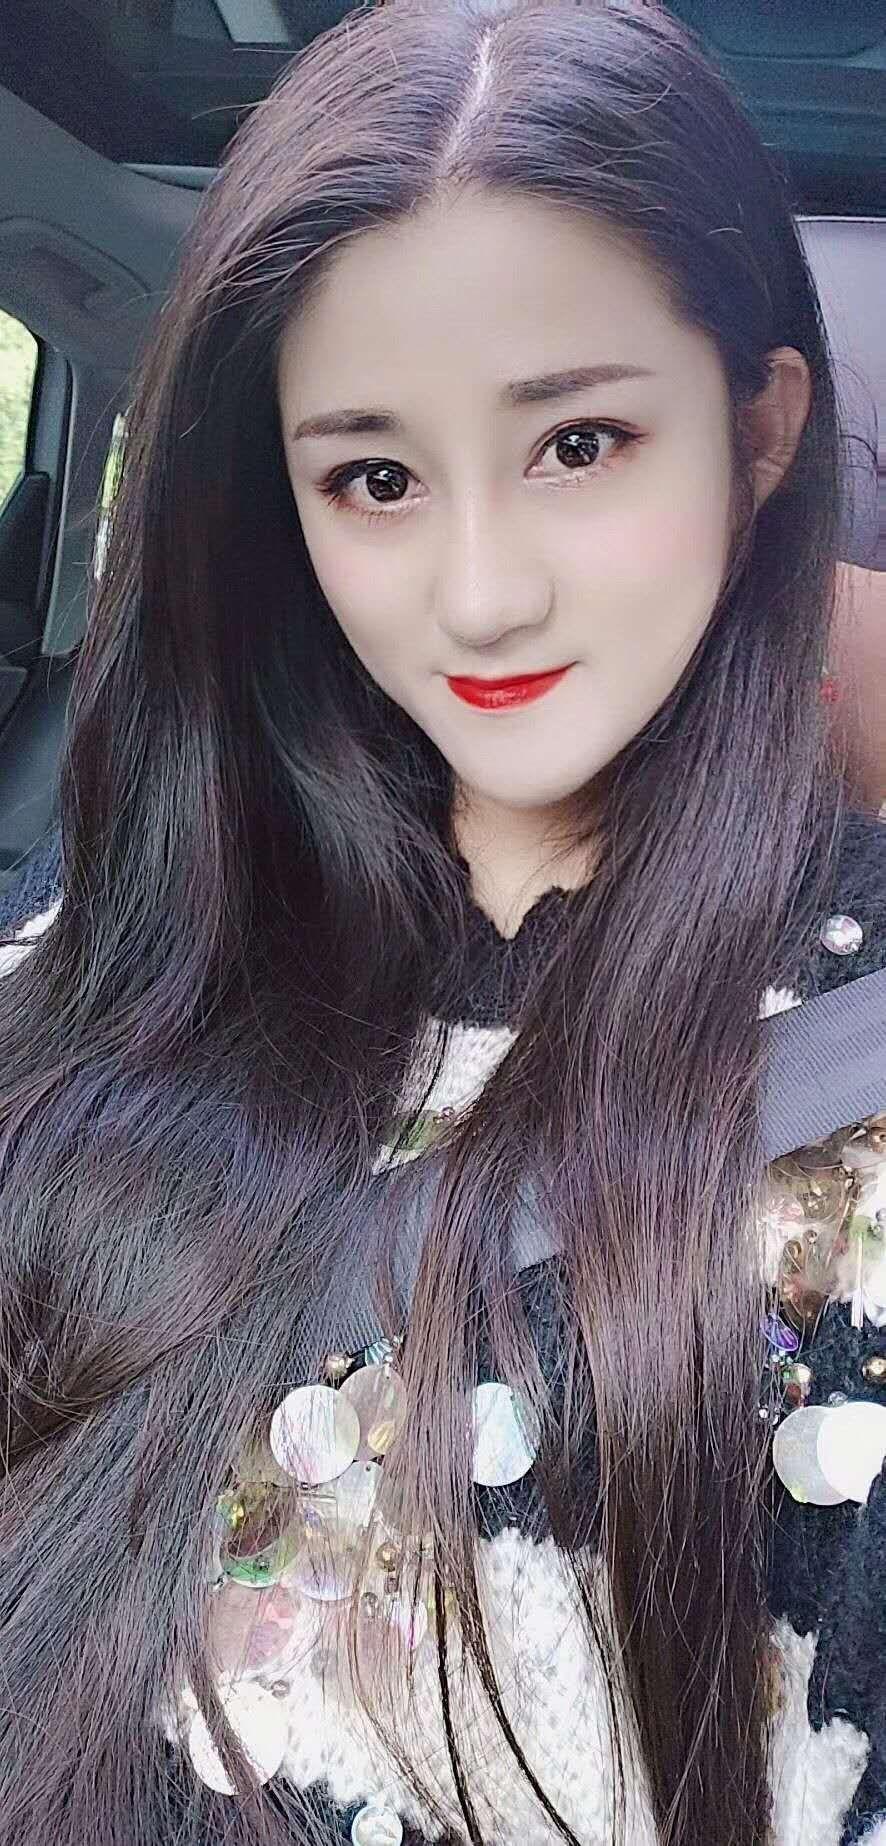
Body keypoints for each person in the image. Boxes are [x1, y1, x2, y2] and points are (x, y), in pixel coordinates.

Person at [0, 1, 884, 1842]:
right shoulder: (118, 958)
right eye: (376, 478)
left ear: (757, 433)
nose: (479, 596)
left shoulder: (850, 1082)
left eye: (579, 442)